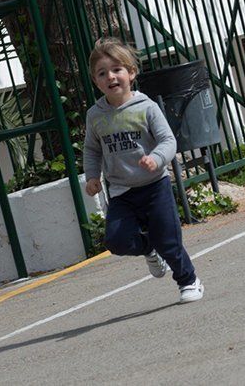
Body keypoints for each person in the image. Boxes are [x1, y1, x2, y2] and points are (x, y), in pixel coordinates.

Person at [83, 37, 204, 303]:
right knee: (117, 241)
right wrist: (92, 177)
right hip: (121, 192)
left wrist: (157, 158)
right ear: (96, 81)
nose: (111, 77)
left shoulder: (146, 107)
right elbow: (92, 150)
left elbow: (168, 140)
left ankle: (188, 280)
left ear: (132, 73)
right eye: (102, 73)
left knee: (169, 240)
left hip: (154, 186)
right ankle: (149, 247)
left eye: (117, 70)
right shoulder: (96, 115)